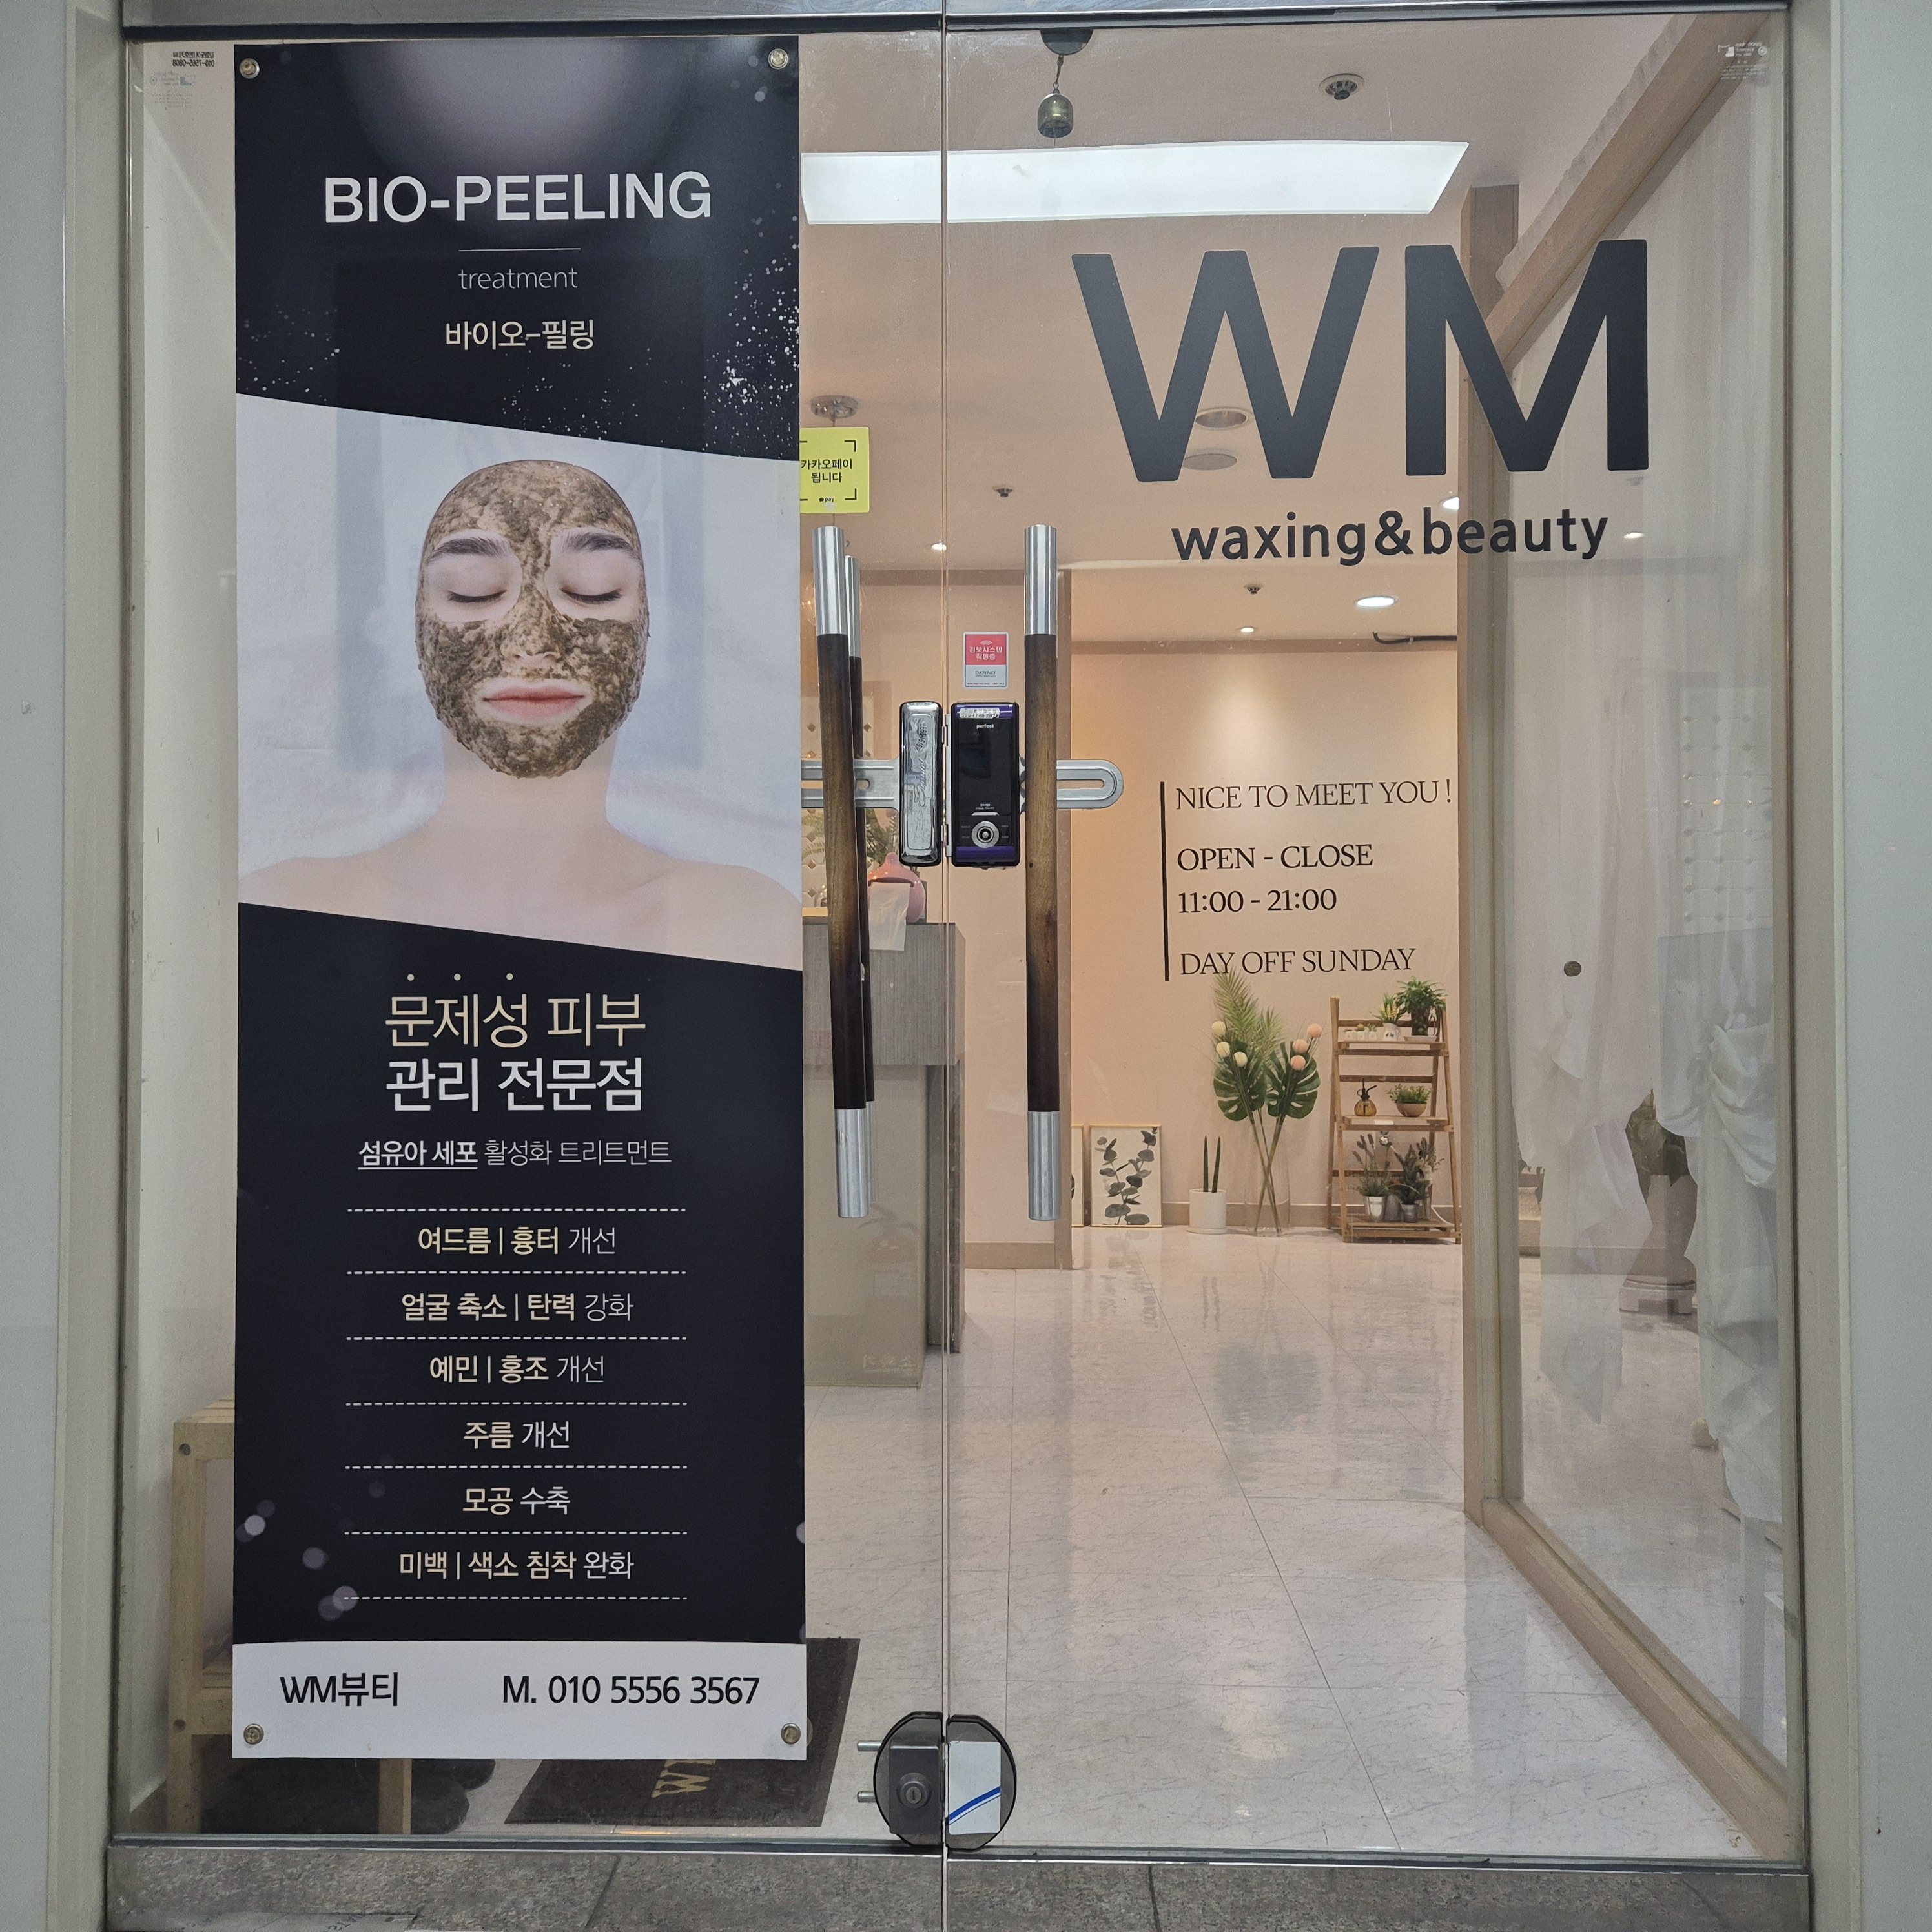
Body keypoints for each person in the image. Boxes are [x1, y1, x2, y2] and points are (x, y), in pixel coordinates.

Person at [243, 458, 799, 971]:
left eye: (595, 590)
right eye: (473, 592)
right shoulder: (288, 916)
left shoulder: (747, 925)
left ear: (648, 625)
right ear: (415, 626)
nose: (533, 645)